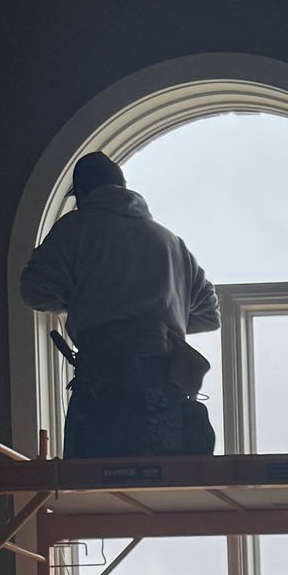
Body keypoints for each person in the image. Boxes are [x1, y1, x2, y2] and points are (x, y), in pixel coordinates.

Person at [19, 152, 220, 457]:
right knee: (162, 486)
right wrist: (162, 320)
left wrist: (85, 299)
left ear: (81, 194)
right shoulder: (170, 241)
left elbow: (34, 292)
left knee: (96, 489)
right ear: (124, 187)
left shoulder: (76, 228)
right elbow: (208, 314)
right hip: (164, 383)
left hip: (104, 383)